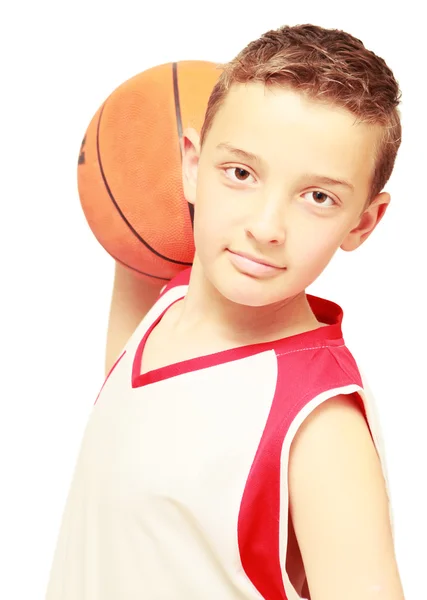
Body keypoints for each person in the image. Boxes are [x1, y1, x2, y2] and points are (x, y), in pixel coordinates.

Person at [46, 23, 406, 600]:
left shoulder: (318, 424)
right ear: (191, 164)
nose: (266, 227)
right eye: (240, 173)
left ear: (362, 222)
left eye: (319, 197)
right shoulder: (161, 312)